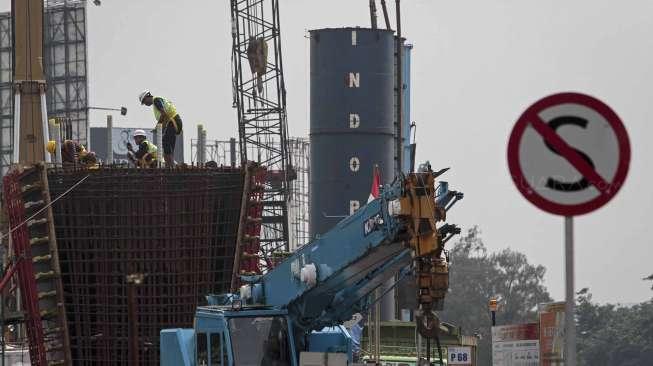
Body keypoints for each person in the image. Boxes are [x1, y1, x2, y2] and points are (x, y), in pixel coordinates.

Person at [138, 90, 182, 167]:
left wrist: (158, 125)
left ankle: (170, 165)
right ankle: (171, 165)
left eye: (144, 101)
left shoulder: (156, 100)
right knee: (168, 144)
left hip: (173, 121)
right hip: (174, 122)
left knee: (165, 141)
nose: (146, 104)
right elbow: (164, 116)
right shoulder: (156, 102)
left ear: (147, 97)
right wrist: (160, 126)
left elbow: (164, 114)